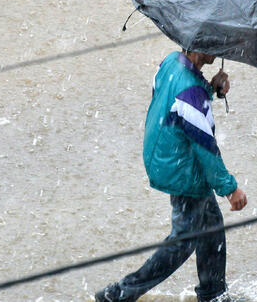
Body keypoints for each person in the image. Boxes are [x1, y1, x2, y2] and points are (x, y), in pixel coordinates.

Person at [95, 50, 247, 302]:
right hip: (184, 169)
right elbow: (206, 148)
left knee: (210, 228)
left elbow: (169, 101)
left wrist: (209, 89)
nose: (217, 49)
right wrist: (230, 189)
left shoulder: (170, 62)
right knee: (183, 241)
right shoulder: (192, 93)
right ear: (196, 45)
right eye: (211, 44)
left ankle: (213, 295)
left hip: (165, 156)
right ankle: (119, 294)